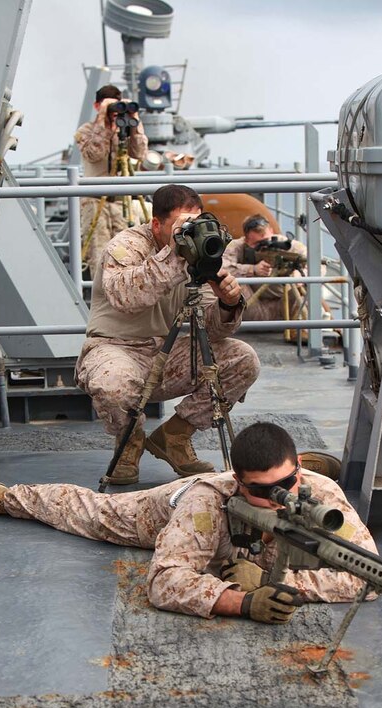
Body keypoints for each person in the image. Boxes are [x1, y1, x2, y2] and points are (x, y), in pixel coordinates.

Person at [0, 422, 376, 624]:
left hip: (262, 525)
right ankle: (4, 498)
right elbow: (163, 581)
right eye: (263, 489)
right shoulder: (206, 503)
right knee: (90, 512)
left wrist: (280, 583)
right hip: (167, 508)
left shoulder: (318, 495)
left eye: (287, 482)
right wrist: (241, 602)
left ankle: (281, 465)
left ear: (299, 472)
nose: (280, 497)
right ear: (240, 483)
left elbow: (368, 575)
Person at [74, 183, 260, 485]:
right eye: (182, 225)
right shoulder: (127, 246)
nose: (190, 232)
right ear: (156, 224)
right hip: (115, 349)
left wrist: (227, 303)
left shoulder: (195, 252)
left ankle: (174, 437)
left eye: (195, 223)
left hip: (163, 353)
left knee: (242, 358)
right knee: (112, 384)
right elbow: (127, 297)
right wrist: (174, 256)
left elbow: (212, 330)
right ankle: (129, 444)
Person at [75, 84, 149, 277]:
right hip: (94, 202)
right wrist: (103, 123)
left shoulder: (124, 130)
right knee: (99, 258)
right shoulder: (86, 130)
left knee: (127, 256)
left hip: (122, 202)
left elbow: (140, 153)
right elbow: (94, 154)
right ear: (97, 106)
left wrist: (135, 122)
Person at [222, 214, 309, 336]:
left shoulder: (288, 245)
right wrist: (252, 269)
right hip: (252, 308)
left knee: (307, 285)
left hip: (283, 306)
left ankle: (299, 329)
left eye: (268, 240)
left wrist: (300, 274)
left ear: (272, 232)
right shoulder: (237, 246)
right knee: (231, 282)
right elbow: (221, 268)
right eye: (258, 244)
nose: (266, 247)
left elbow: (316, 264)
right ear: (246, 240)